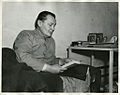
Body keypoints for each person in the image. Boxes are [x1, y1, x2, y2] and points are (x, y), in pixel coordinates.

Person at [13, 11, 101, 92]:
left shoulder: (51, 41)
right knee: (55, 81)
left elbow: (51, 60)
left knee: (92, 71)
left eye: (54, 25)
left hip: (51, 69)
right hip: (33, 71)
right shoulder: (26, 35)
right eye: (50, 25)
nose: (53, 28)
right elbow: (22, 57)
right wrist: (49, 68)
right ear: (40, 23)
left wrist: (62, 61)